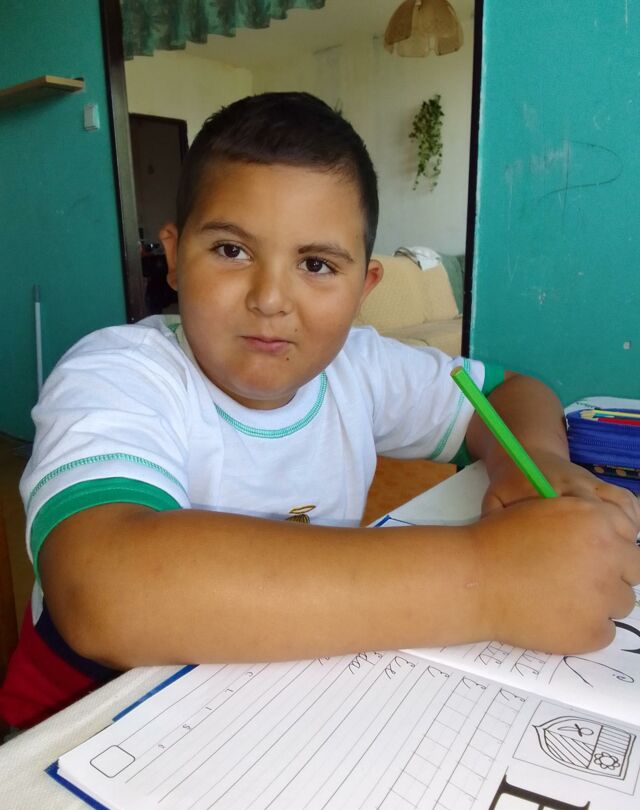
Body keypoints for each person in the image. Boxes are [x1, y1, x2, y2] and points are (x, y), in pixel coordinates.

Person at [1, 92, 639, 730]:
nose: (270, 298)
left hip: (275, 701)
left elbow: (511, 392)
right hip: (85, 719)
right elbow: (106, 588)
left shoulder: (359, 367)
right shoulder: (117, 372)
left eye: (316, 264)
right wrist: (488, 577)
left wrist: (535, 462)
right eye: (231, 250)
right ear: (173, 257)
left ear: (363, 289)